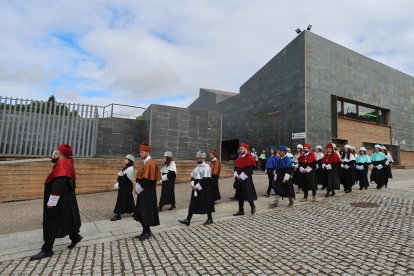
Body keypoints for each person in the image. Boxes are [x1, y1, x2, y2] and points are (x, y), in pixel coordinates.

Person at [30, 144, 82, 261]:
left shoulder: (62, 166)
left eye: (57, 153)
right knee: (66, 218)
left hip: (57, 201)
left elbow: (58, 185)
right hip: (64, 200)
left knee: (51, 222)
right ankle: (75, 236)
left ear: (62, 155)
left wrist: (51, 202)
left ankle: (47, 249)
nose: (54, 154)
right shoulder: (66, 163)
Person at [178, 151, 214, 226]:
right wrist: (192, 185)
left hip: (203, 189)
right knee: (192, 203)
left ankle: (210, 219)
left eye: (198, 158)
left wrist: (197, 187)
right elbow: (193, 177)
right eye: (197, 158)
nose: (196, 160)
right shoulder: (197, 167)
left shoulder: (207, 167)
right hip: (195, 189)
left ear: (202, 158)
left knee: (206, 203)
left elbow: (206, 180)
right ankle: (188, 220)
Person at [134, 143, 161, 241]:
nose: (140, 154)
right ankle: (146, 230)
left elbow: (149, 180)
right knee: (140, 211)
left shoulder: (151, 163)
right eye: (140, 152)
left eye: (142, 152)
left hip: (147, 193)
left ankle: (146, 232)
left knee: (145, 211)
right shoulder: (145, 163)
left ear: (148, 152)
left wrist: (139, 187)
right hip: (143, 192)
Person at [233, 143, 257, 216]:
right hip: (238, 179)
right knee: (240, 194)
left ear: (246, 149)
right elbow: (235, 168)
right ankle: (241, 210)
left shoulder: (250, 157)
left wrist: (241, 176)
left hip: (246, 179)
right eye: (240, 148)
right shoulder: (239, 158)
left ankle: (252, 206)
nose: (241, 150)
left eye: (242, 148)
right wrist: (236, 175)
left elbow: (250, 170)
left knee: (247, 194)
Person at [111, 154, 136, 221]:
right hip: (124, 186)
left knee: (121, 200)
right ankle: (134, 211)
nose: (125, 160)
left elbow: (125, 179)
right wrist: (119, 182)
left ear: (130, 160)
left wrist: (119, 184)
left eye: (126, 159)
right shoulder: (126, 167)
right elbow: (121, 176)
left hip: (126, 187)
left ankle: (118, 215)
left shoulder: (131, 168)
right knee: (129, 200)